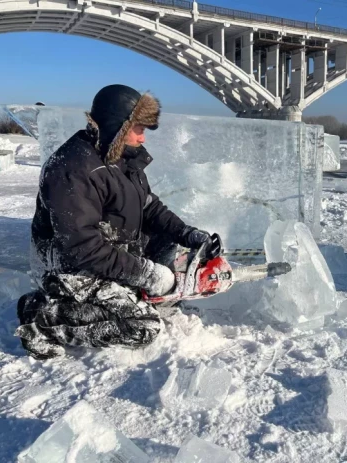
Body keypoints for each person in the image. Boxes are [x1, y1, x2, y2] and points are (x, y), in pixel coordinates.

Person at [15, 84, 220, 360]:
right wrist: (148, 274)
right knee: (140, 327)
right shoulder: (71, 169)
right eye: (138, 129)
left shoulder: (122, 157)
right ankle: (42, 316)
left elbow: (149, 207)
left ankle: (138, 295)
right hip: (65, 263)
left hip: (109, 246)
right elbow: (82, 248)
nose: (143, 138)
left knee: (171, 248)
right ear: (118, 127)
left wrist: (187, 234)